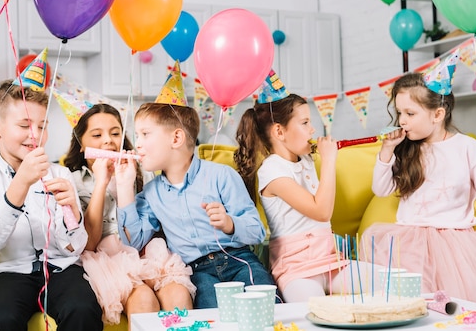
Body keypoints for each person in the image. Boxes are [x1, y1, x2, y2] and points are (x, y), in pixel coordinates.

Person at [116, 61, 276, 308]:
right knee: (211, 321)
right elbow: (134, 242)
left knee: (267, 310)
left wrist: (229, 223)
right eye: (138, 136)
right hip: (198, 273)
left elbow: (257, 230)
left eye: (145, 134)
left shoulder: (222, 176)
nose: (138, 143)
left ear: (176, 138)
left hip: (240, 261)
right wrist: (125, 188)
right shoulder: (151, 193)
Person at [362, 67, 476, 309]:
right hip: (411, 241)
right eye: (399, 112)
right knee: (412, 305)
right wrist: (387, 152)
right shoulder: (405, 148)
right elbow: (381, 189)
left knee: (459, 307)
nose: (402, 120)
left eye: (410, 113)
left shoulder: (466, 146)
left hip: (456, 243)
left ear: (438, 114)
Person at [0, 79, 102, 331]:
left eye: (42, 125)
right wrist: (21, 184)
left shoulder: (60, 174)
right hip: (8, 273)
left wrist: (72, 214)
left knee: (83, 309)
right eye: (24, 125)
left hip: (61, 270)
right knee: (1, 319)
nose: (35, 135)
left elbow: (75, 248)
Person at [234, 69, 379, 303]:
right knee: (314, 312)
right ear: (279, 131)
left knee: (391, 281)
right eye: (305, 123)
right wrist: (330, 160)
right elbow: (321, 211)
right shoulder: (272, 170)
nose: (313, 130)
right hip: (297, 271)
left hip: (332, 263)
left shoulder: (306, 160)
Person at [63, 103, 195, 326]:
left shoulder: (143, 173)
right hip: (106, 258)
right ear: (81, 146)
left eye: (115, 133)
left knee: (178, 293)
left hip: (145, 251)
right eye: (97, 135)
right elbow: (88, 244)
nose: (108, 141)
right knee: (143, 298)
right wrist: (101, 183)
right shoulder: (72, 181)